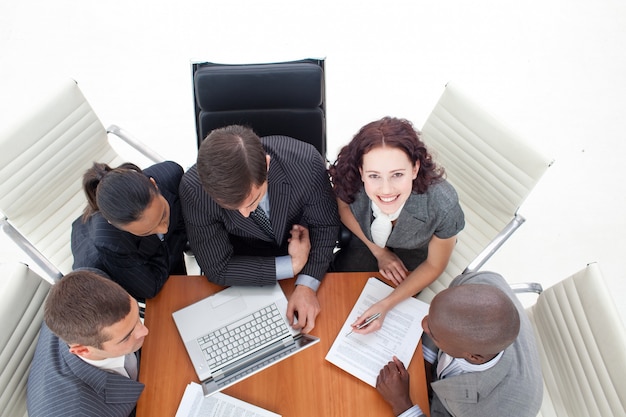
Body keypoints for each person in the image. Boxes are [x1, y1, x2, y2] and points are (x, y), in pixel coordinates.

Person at [179, 125, 340, 334]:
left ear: (266, 164)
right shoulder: (194, 189)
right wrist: (291, 265)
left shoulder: (305, 162)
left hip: (306, 252)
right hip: (246, 266)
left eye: (253, 200)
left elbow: (326, 226)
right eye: (232, 207)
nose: (244, 213)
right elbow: (217, 267)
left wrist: (307, 283)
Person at [328, 117, 464, 333]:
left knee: (390, 317)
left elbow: (434, 265)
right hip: (367, 241)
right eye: (374, 176)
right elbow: (343, 207)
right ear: (361, 172)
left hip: (414, 252)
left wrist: (386, 305)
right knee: (336, 300)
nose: (386, 190)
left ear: (415, 169)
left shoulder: (442, 204)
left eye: (397, 175)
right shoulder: (351, 177)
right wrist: (379, 252)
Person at [376, 271, 543, 417]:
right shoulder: (480, 281)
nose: (423, 323)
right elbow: (445, 318)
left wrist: (402, 404)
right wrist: (426, 360)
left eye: (434, 333)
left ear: (474, 357)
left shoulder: (496, 411)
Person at [27, 269, 149, 417]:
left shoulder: (91, 279)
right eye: (127, 336)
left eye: (136, 318)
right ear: (82, 350)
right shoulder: (79, 411)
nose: (144, 331)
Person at [71, 160, 188, 300]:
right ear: (114, 225)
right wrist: (173, 240)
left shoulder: (172, 174)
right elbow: (149, 288)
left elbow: (184, 223)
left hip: (152, 259)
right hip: (117, 278)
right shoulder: (111, 244)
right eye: (146, 231)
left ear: (153, 184)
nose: (163, 229)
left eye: (163, 214)